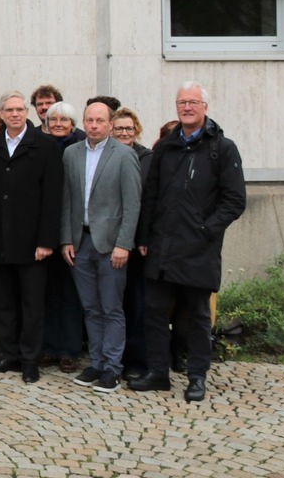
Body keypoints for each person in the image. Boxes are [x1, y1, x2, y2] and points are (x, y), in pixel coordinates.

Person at [130, 82, 246, 402]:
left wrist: (206, 230)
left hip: (198, 249)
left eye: (193, 102)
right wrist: (144, 236)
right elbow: (150, 195)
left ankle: (197, 376)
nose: (187, 107)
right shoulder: (167, 147)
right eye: (182, 102)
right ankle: (157, 373)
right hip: (161, 247)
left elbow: (234, 201)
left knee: (196, 316)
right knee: (153, 311)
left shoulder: (222, 148)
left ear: (205, 106)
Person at [0, 90, 63, 383]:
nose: (15, 114)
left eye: (19, 109)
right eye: (9, 110)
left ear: (26, 112)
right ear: (0, 114)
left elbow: (53, 198)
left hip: (32, 242)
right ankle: (10, 355)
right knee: (2, 302)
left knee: (32, 304)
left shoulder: (45, 145)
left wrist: (46, 241)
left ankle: (30, 360)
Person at [60, 101, 142, 393]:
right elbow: (67, 199)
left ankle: (112, 368)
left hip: (111, 245)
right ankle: (95, 362)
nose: (94, 125)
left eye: (99, 121)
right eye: (89, 120)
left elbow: (132, 204)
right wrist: (66, 239)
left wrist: (124, 244)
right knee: (90, 308)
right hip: (79, 242)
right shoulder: (71, 153)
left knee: (111, 308)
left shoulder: (124, 155)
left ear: (109, 124)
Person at [42, 100, 86, 373]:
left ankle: (69, 350)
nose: (59, 124)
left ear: (73, 124)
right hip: (46, 230)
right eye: (53, 120)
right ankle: (48, 346)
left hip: (73, 231)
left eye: (64, 120)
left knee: (70, 294)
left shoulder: (80, 149)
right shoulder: (41, 146)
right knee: (46, 292)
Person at [112, 106, 154, 379]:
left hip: (137, 242)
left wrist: (143, 238)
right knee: (113, 304)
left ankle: (136, 360)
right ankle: (112, 356)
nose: (124, 132)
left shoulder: (148, 159)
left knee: (136, 303)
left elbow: (149, 201)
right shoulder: (105, 155)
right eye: (119, 128)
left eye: (129, 128)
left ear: (136, 130)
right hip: (108, 240)